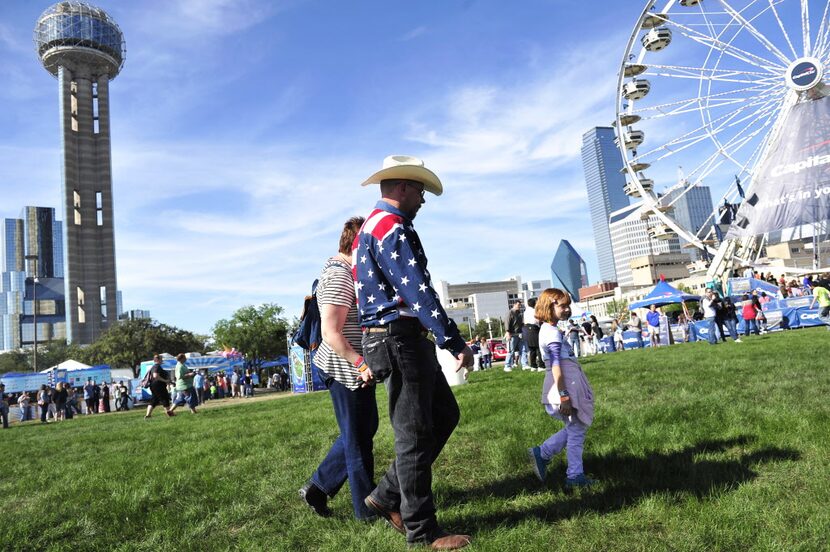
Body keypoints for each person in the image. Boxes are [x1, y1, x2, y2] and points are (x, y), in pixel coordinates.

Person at [354, 155, 473, 549]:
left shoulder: (370, 227)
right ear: (403, 186)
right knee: (415, 434)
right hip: (399, 336)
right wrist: (452, 340)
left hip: (390, 337)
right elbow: (417, 290)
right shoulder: (393, 228)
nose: (423, 199)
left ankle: (388, 494)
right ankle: (421, 531)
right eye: (420, 190)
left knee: (441, 415)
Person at [299, 216, 380, 521]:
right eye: (369, 242)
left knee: (361, 430)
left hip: (352, 365)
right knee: (357, 438)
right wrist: (360, 363)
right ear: (355, 243)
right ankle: (366, 510)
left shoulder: (349, 272)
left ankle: (318, 487)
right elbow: (332, 332)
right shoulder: (339, 275)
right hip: (343, 366)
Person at [528, 288, 596, 488]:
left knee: (576, 426)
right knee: (576, 430)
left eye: (568, 305)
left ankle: (543, 453)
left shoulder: (551, 329)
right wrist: (564, 395)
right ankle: (574, 476)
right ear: (549, 306)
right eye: (562, 306)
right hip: (565, 388)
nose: (567, 309)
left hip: (568, 385)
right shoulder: (551, 333)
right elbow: (556, 365)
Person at [145, 354, 175, 418]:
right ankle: (169, 413)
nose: (162, 360)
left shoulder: (154, 366)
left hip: (154, 386)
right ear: (158, 360)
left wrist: (170, 382)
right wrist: (165, 381)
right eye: (161, 359)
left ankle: (148, 415)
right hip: (158, 386)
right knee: (165, 399)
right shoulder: (157, 367)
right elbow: (155, 376)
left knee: (154, 400)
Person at [522, 298, 544, 371]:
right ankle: (541, 365)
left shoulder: (525, 311)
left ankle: (533, 366)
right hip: (534, 328)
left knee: (532, 349)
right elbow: (538, 320)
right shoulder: (535, 311)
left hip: (527, 329)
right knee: (538, 348)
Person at [505, 301, 524, 371]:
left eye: (520, 305)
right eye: (518, 305)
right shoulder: (510, 312)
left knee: (522, 350)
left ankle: (524, 364)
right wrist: (508, 332)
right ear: (514, 305)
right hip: (512, 334)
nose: (519, 306)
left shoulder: (519, 313)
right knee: (511, 351)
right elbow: (507, 322)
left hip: (519, 334)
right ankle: (507, 365)